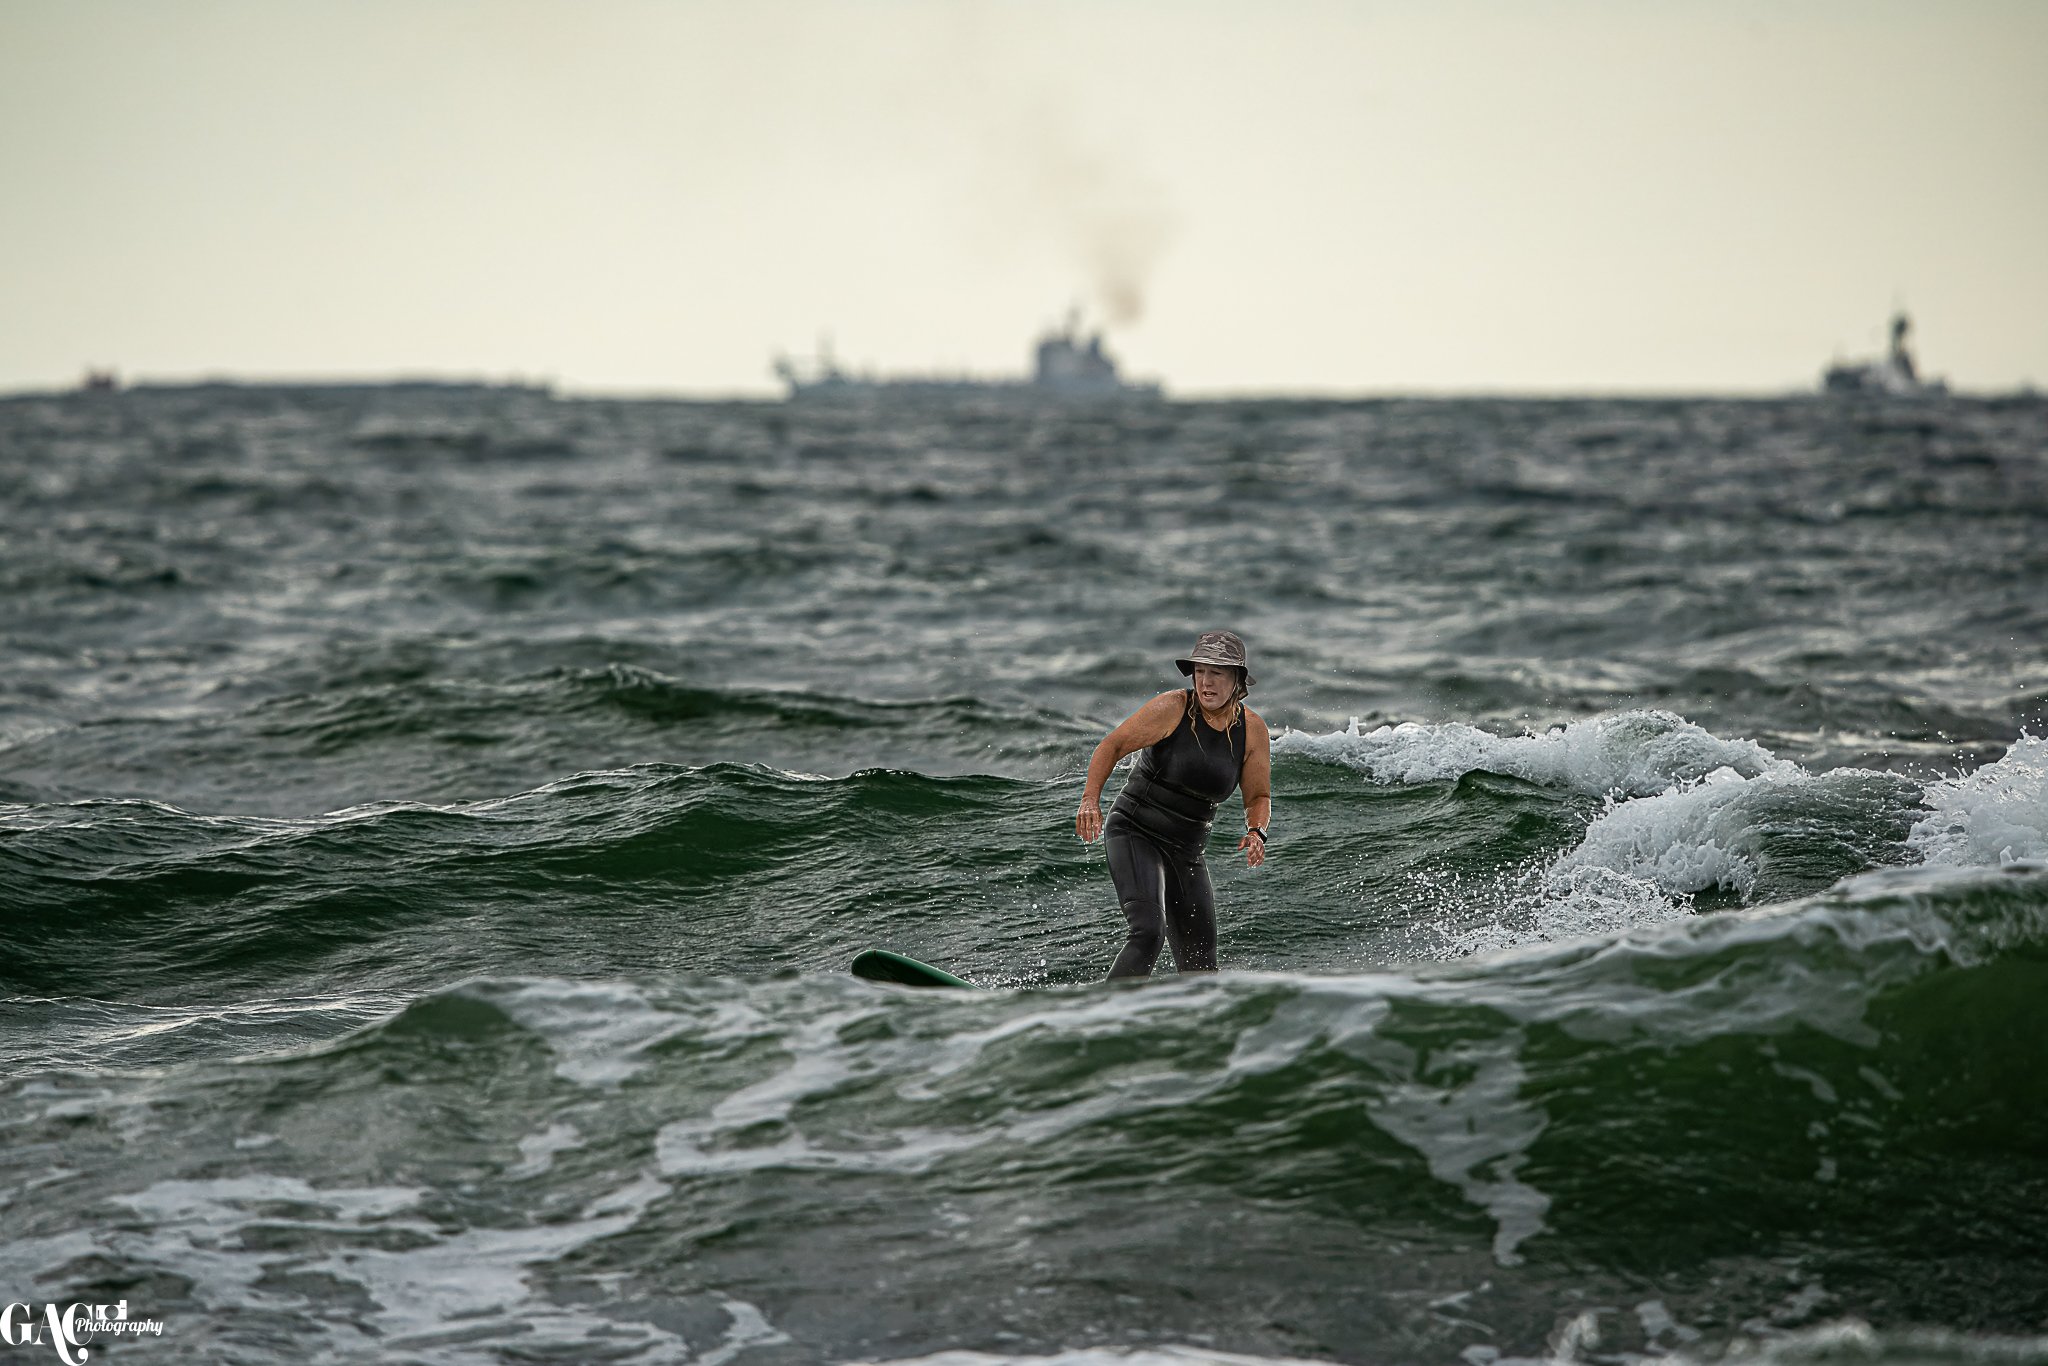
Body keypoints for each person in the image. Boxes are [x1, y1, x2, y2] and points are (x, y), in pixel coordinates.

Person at [1074, 630, 1272, 978]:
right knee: (1148, 932)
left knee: (1201, 965)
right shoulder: (1173, 708)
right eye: (1199, 672)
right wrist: (1090, 799)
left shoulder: (1251, 730)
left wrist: (1257, 831)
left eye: (1217, 673)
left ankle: (1193, 1029)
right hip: (1136, 831)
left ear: (1238, 679)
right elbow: (1113, 745)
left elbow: (1258, 797)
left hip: (1187, 851)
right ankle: (1101, 1017)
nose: (1206, 682)